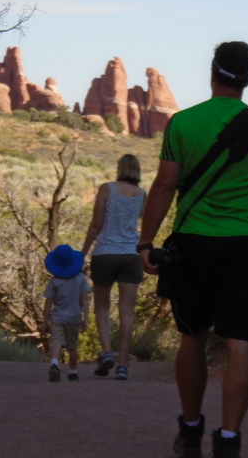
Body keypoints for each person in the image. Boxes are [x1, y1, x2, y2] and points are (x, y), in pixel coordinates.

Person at [137, 42, 248, 458]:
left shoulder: (183, 123)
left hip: (193, 242)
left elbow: (165, 185)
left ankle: (191, 430)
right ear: (247, 79)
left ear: (213, 73)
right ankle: (230, 439)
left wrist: (145, 242)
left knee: (192, 336)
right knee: (241, 342)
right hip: (247, 244)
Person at [81, 154, 146, 380]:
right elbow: (137, 221)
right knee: (127, 310)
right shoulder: (142, 194)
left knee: (102, 307)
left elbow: (96, 224)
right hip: (131, 255)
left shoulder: (107, 189)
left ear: (120, 168)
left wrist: (82, 252)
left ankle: (107, 352)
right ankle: (123, 364)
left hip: (105, 253)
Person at [42, 244, 91, 382]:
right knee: (72, 346)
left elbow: (48, 302)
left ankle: (54, 364)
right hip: (74, 318)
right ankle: (73, 372)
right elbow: (85, 298)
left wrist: (45, 322)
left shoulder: (55, 281)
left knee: (56, 342)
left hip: (57, 318)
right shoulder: (80, 278)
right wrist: (86, 319)